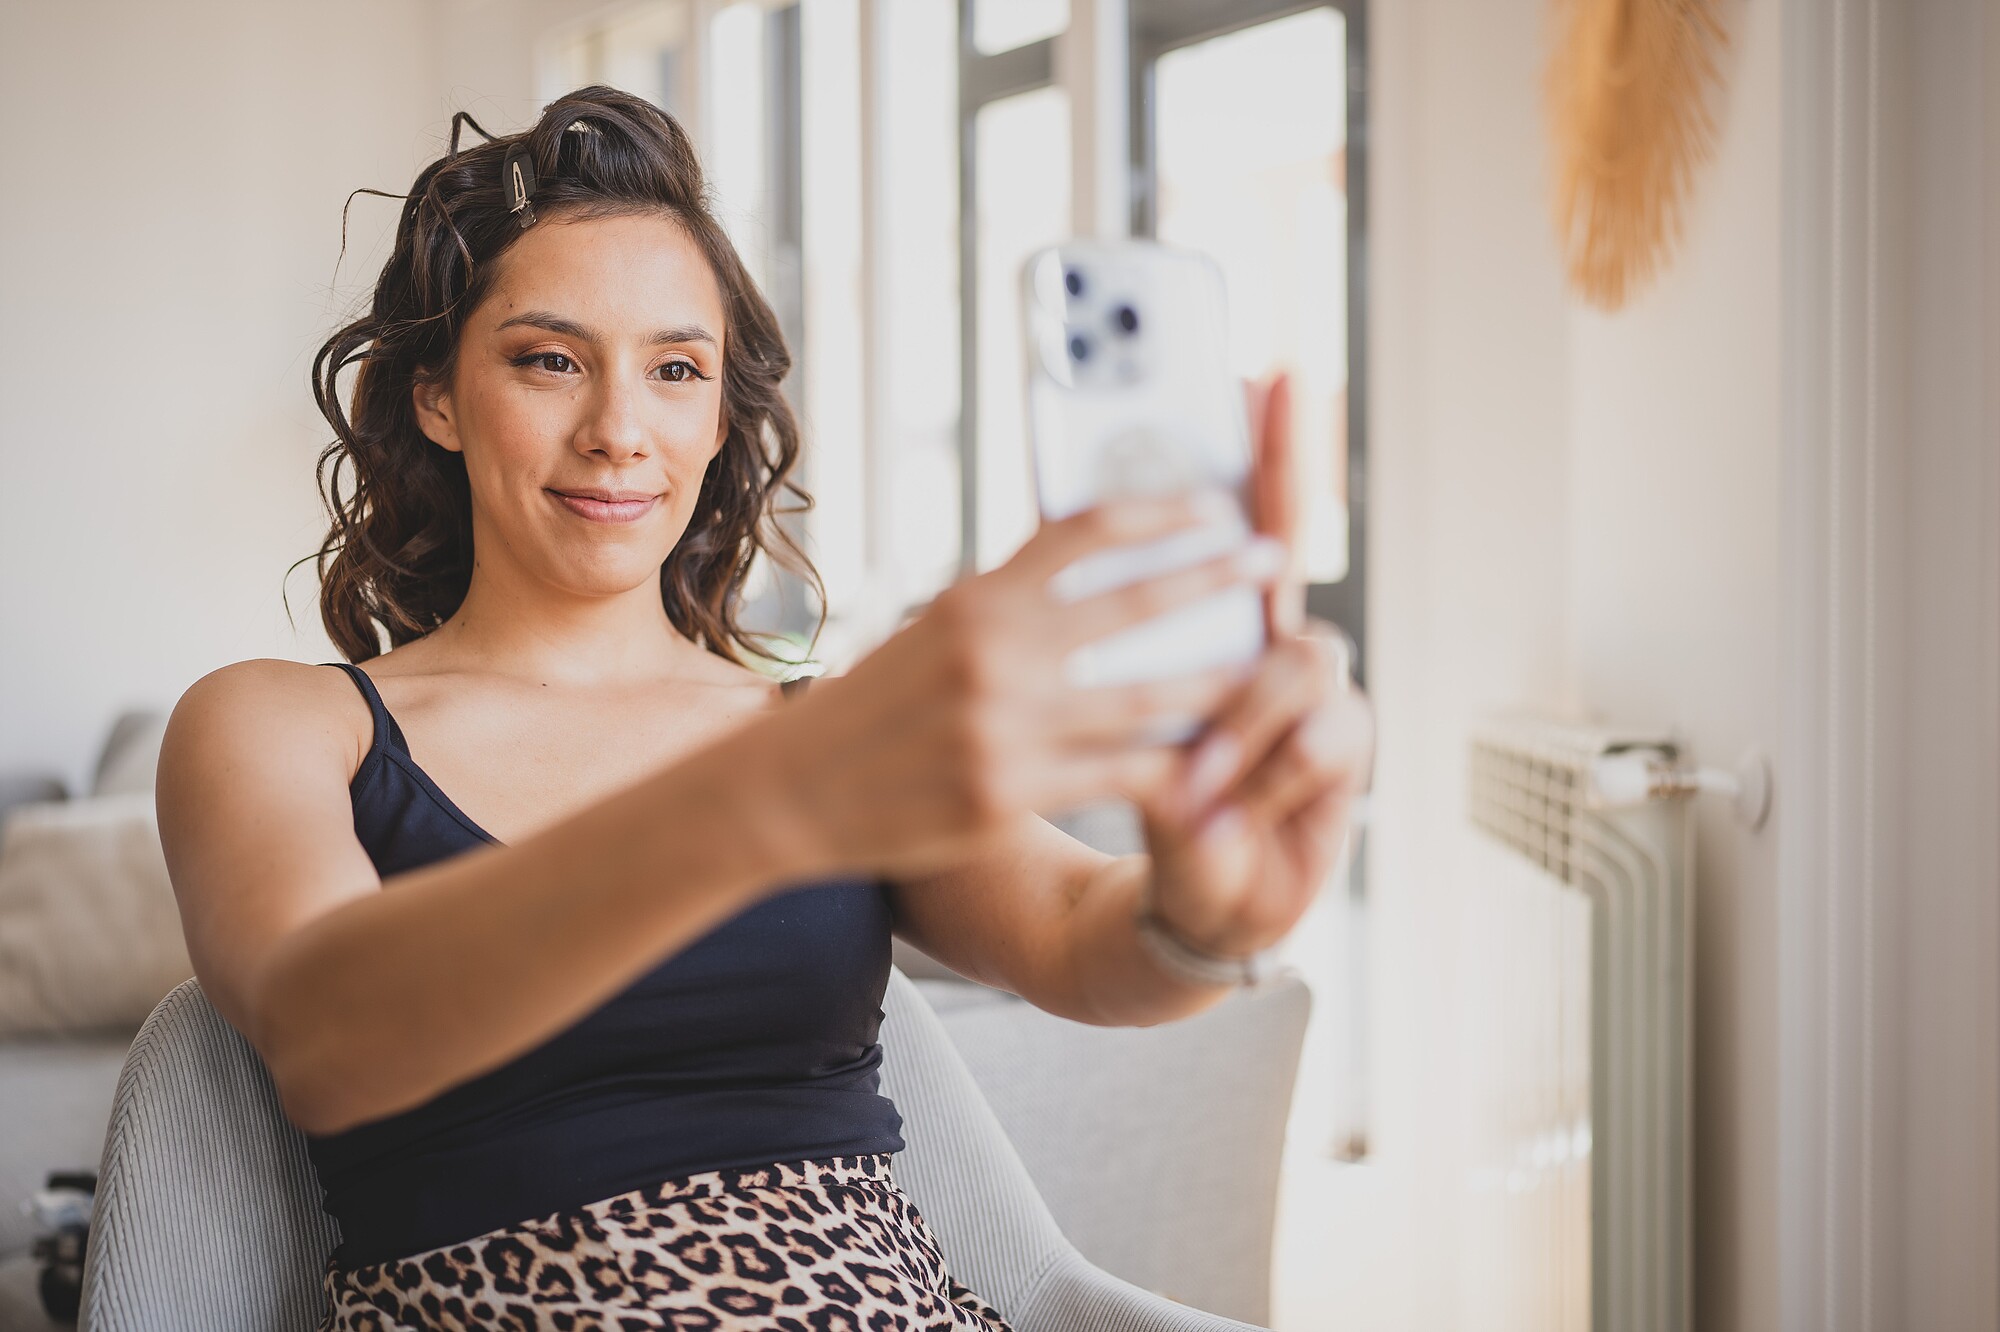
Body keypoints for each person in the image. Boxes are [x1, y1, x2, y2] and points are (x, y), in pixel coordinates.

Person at [154, 85, 1375, 1331]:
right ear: (439, 398)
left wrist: (1202, 919)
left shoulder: (815, 736)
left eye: (675, 369)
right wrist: (785, 795)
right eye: (549, 359)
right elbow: (332, 1032)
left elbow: (1074, 924)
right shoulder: (281, 726)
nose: (619, 430)